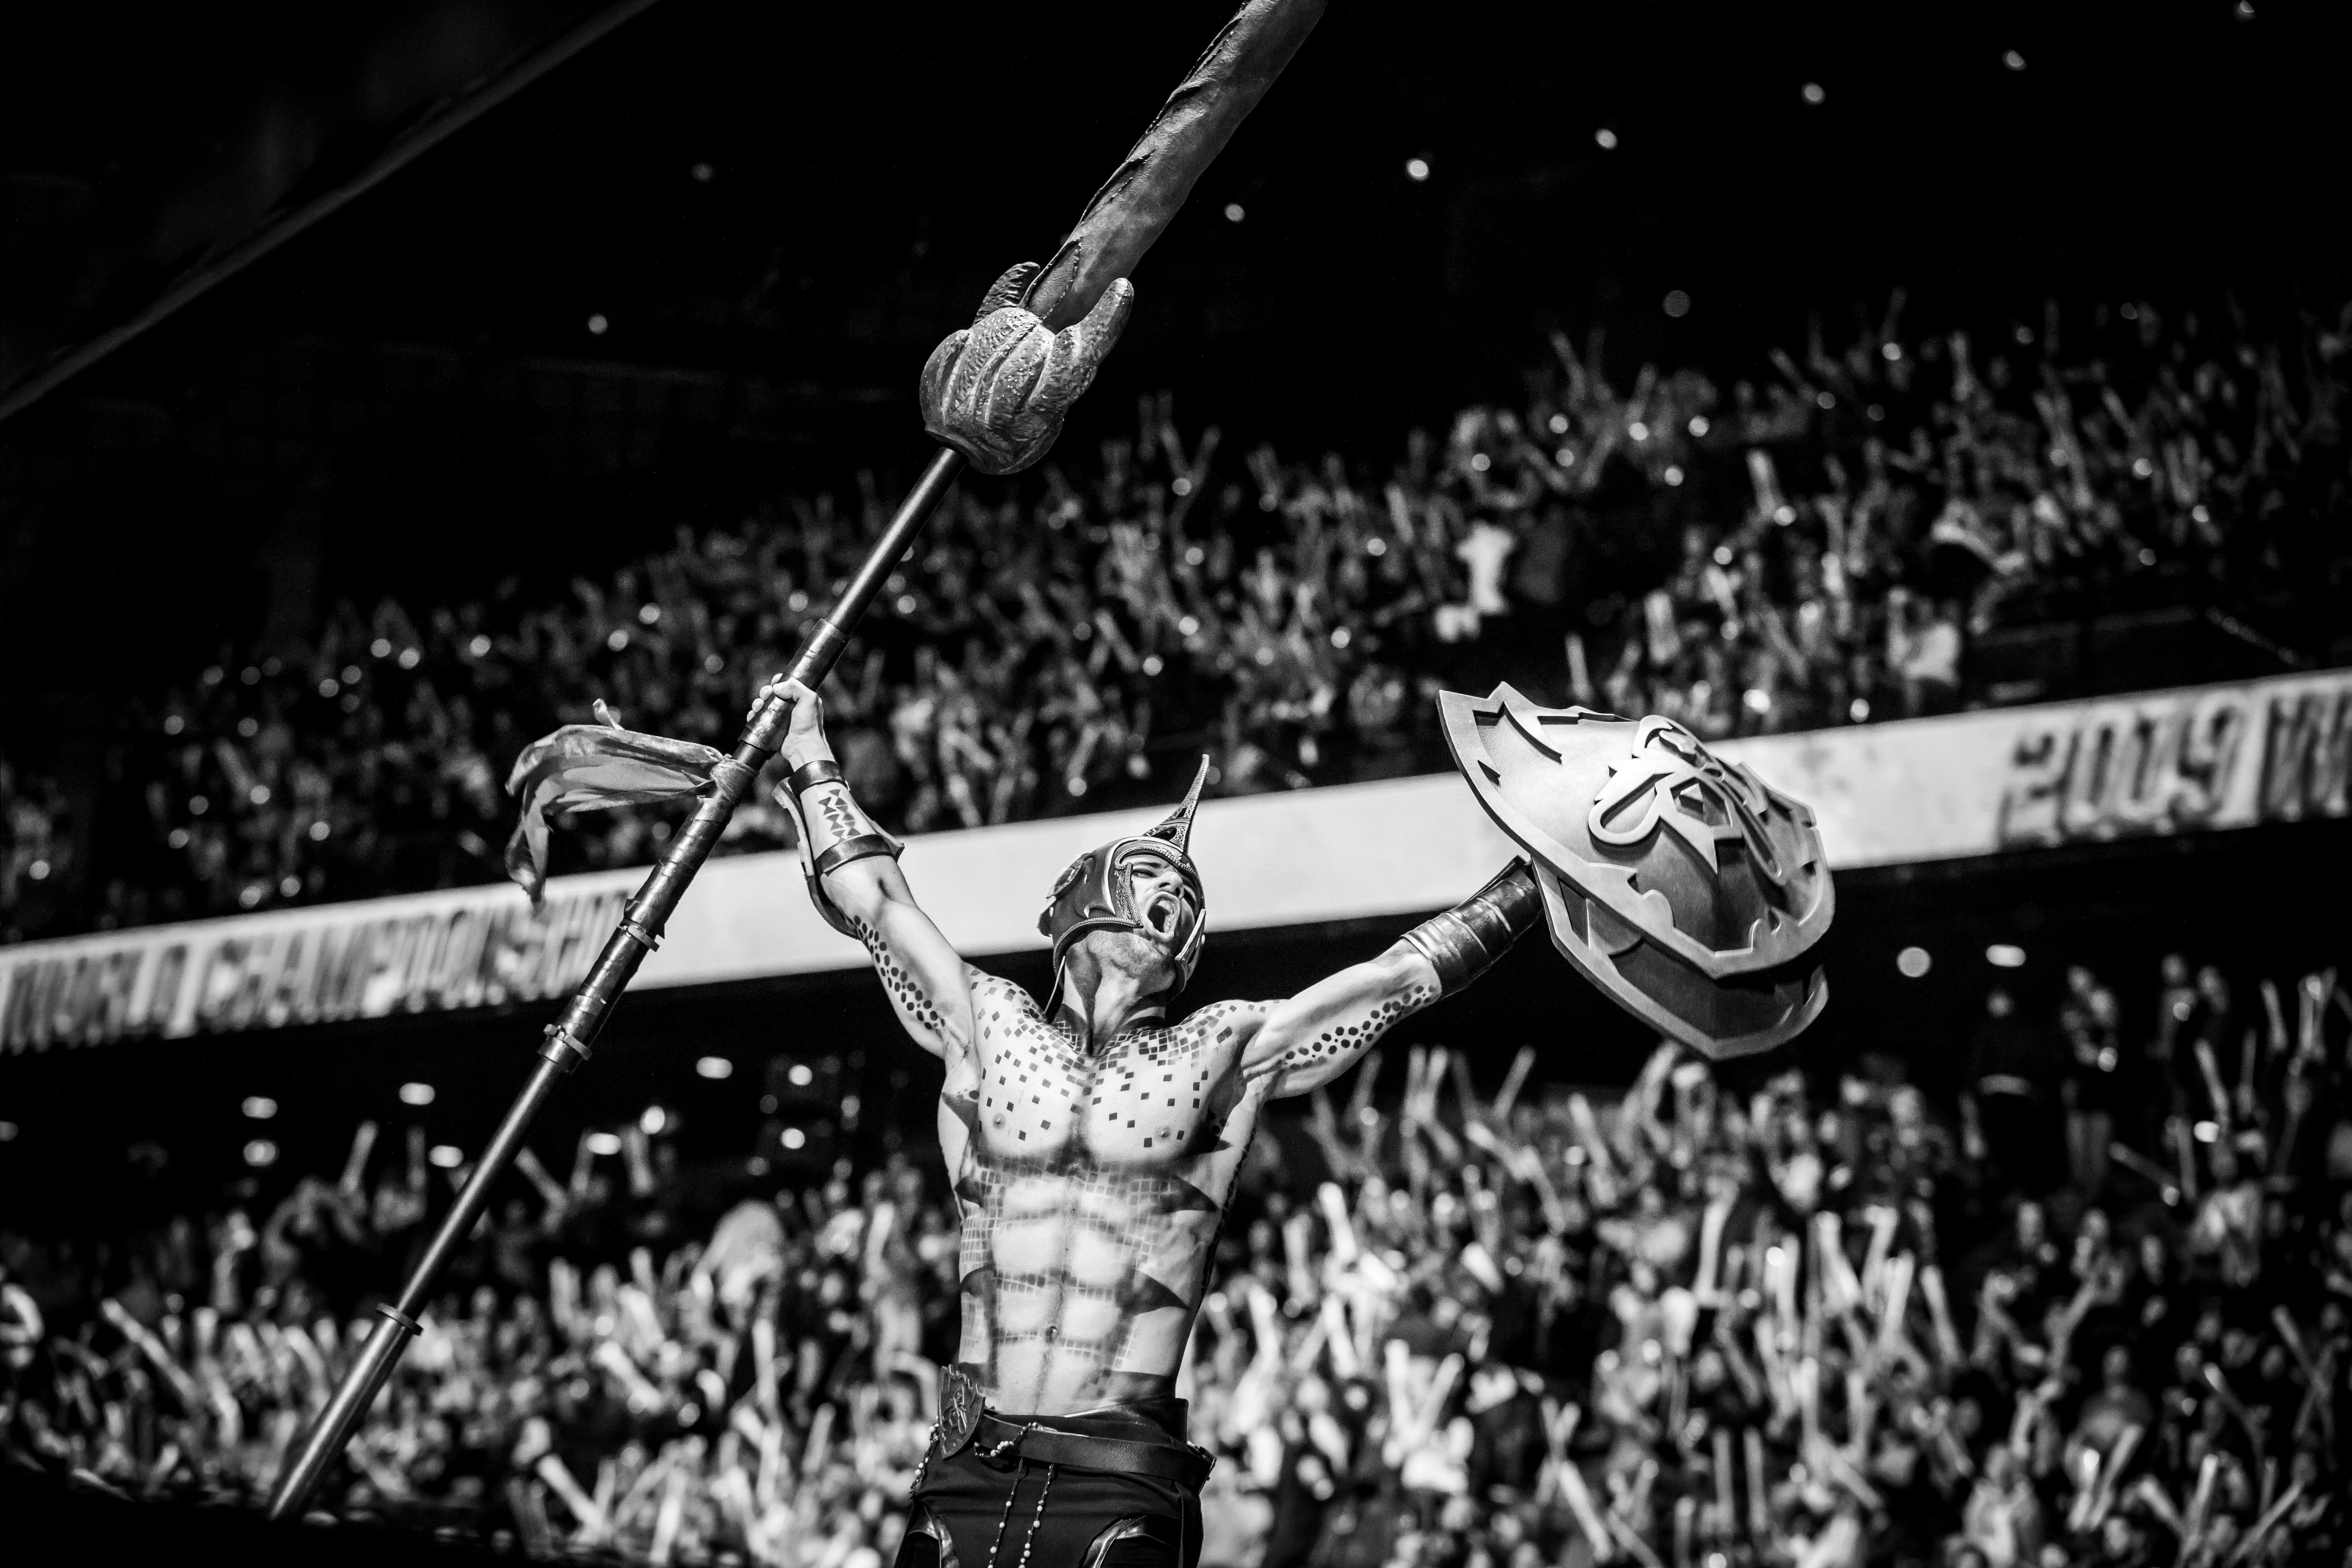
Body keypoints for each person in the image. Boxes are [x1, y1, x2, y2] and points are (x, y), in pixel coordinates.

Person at [757, 673, 1540, 1568]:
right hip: (967, 1473)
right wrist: (808, 746)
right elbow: (876, 902)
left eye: (1184, 895)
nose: (1171, 898)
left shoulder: (1222, 1049)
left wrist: (1538, 881)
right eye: (1151, 875)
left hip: (1118, 1483)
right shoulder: (987, 1023)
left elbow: (1396, 981)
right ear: (1074, 902)